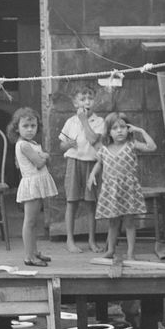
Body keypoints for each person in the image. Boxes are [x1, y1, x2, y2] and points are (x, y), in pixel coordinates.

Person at [87, 112, 157, 261]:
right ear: (109, 132)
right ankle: (110, 250)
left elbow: (152, 147)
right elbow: (99, 163)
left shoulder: (131, 144)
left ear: (128, 129)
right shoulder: (104, 148)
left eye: (123, 127)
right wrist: (92, 174)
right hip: (111, 190)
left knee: (129, 222)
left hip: (128, 189)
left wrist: (141, 131)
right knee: (113, 223)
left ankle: (131, 253)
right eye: (115, 128)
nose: (119, 131)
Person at [7, 107, 58, 267]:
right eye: (25, 126)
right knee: (29, 222)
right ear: (17, 128)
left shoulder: (33, 143)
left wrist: (44, 157)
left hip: (37, 182)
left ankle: (34, 251)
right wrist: (46, 156)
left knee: (35, 221)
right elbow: (39, 163)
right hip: (32, 185)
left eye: (33, 126)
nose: (30, 130)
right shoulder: (24, 145)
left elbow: (42, 161)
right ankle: (29, 256)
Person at [58, 83, 106, 253]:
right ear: (75, 103)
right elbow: (62, 146)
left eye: (90, 98)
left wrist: (84, 121)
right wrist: (68, 144)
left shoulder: (99, 121)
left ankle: (92, 240)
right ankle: (70, 240)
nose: (87, 102)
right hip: (74, 162)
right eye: (82, 99)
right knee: (72, 202)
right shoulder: (70, 122)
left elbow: (94, 140)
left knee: (91, 203)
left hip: (91, 164)